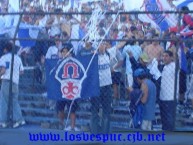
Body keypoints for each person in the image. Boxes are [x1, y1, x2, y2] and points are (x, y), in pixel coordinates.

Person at [0, 42, 25, 128]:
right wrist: (14, 73)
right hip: (15, 81)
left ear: (5, 49)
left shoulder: (3, 57)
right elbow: (22, 72)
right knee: (14, 101)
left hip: (6, 81)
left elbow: (3, 70)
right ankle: (19, 120)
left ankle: (3, 121)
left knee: (4, 101)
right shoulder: (17, 58)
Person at [56, 43, 80, 131]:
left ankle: (72, 126)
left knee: (72, 108)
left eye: (66, 51)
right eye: (63, 51)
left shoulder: (75, 61)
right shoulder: (58, 62)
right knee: (60, 107)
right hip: (62, 88)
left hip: (72, 87)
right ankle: (61, 124)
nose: (64, 53)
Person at [90, 42, 113, 134]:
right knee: (95, 111)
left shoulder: (108, 54)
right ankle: (95, 132)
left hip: (107, 86)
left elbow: (120, 45)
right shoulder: (93, 56)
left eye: (104, 44)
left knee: (106, 111)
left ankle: (105, 132)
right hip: (96, 86)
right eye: (100, 44)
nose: (102, 46)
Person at [159, 50, 177, 131]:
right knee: (164, 118)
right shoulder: (164, 67)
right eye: (163, 56)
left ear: (171, 57)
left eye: (166, 56)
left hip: (170, 97)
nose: (164, 58)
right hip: (162, 96)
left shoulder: (174, 66)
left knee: (169, 119)